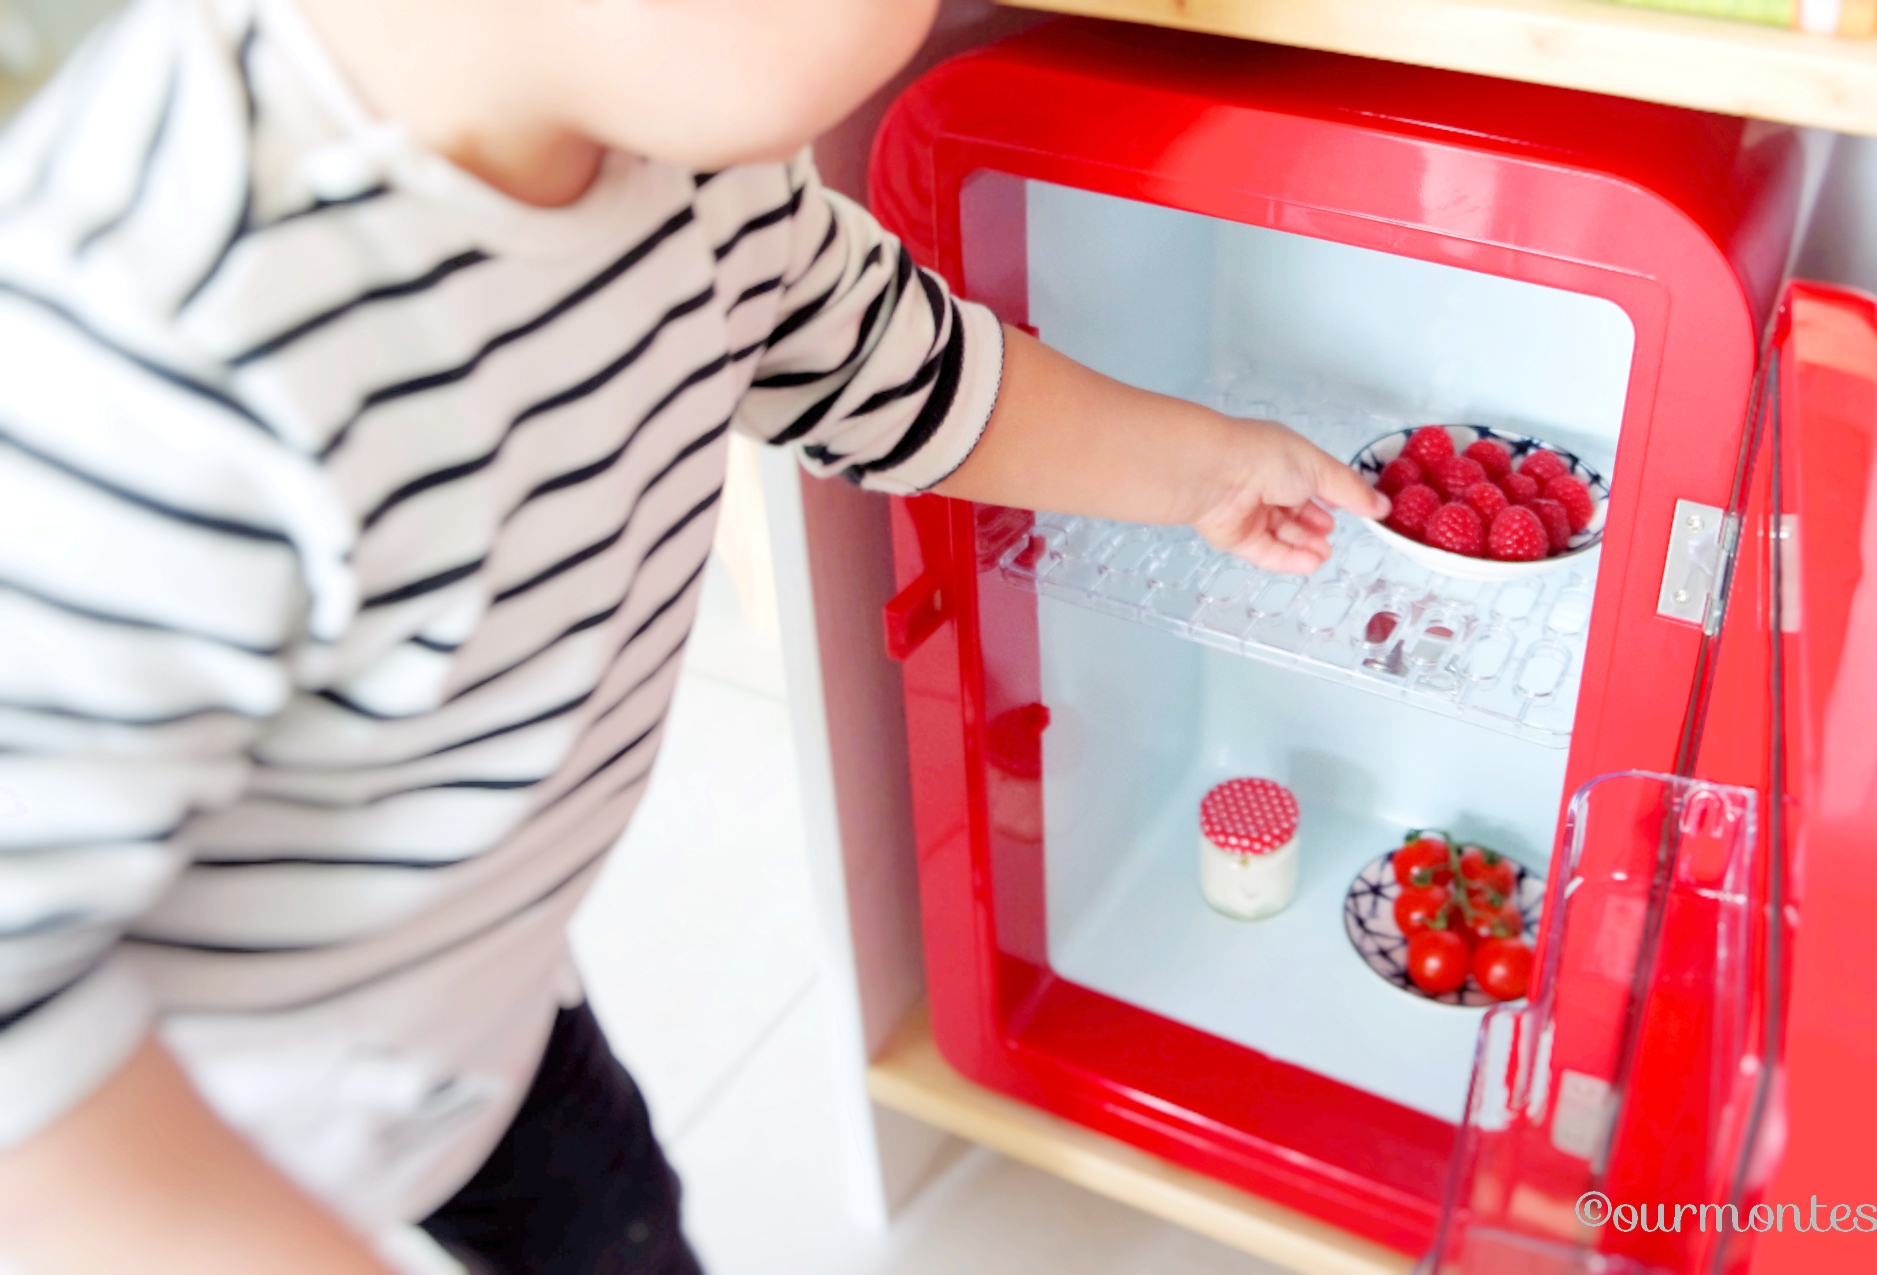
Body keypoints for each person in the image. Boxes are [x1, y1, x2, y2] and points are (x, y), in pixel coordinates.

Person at [0, 0, 1387, 1270]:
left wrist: (1204, 470)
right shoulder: (140, 347)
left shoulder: (697, 171)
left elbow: (906, 374)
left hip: (478, 1024)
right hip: (182, 1136)